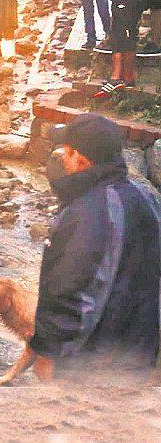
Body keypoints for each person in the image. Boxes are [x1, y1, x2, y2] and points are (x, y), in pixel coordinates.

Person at [31, 113, 161, 379]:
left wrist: (48, 351)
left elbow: (74, 289)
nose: (62, 157)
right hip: (137, 351)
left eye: (67, 151)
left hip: (91, 361)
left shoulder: (90, 211)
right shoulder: (143, 197)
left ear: (82, 159)